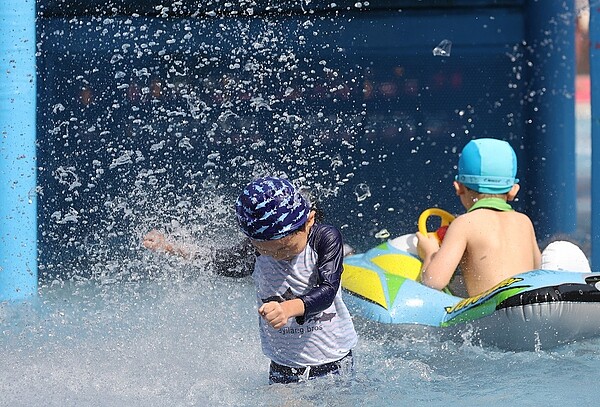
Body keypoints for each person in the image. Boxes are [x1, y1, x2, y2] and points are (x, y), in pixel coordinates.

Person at [143, 176, 357, 384]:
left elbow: (328, 290)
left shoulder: (324, 238)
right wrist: (170, 246)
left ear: (309, 221)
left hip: (335, 362)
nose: (277, 256)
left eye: (284, 247)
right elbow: (219, 261)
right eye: (265, 250)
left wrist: (287, 309)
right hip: (283, 367)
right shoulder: (255, 252)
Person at [416, 138, 542, 297]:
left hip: (492, 314)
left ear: (459, 187)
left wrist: (430, 252)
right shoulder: (524, 222)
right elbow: (538, 270)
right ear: (513, 190)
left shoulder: (464, 224)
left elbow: (434, 281)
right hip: (529, 305)